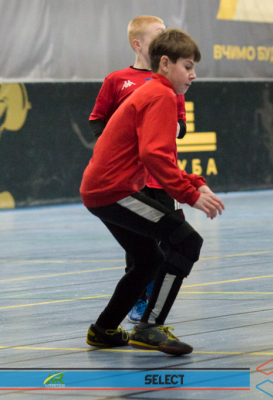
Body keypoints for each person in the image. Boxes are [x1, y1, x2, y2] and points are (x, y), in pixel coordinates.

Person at [80, 28, 225, 356]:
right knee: (187, 241)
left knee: (149, 260)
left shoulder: (155, 92)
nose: (193, 74)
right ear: (165, 63)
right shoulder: (161, 95)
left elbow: (158, 154)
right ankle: (149, 328)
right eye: (188, 66)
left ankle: (103, 329)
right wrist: (189, 194)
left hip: (103, 189)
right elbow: (154, 155)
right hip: (113, 190)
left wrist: (194, 181)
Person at [89, 15, 189, 323]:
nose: (165, 40)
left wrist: (164, 128)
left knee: (171, 240)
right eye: (158, 35)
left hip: (160, 179)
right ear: (138, 44)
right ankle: (138, 301)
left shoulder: (171, 83)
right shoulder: (117, 80)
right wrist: (114, 147)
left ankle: (155, 302)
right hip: (130, 181)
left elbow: (180, 125)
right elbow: (97, 119)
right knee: (138, 244)